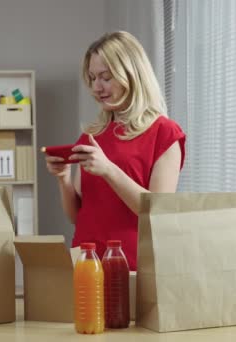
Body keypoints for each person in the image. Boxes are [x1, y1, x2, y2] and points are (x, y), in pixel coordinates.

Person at [44, 31, 185, 271]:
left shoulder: (165, 133)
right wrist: (63, 179)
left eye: (105, 77)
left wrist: (109, 169)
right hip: (87, 262)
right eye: (91, 78)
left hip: (133, 266)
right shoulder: (92, 135)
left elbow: (157, 212)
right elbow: (80, 218)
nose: (96, 87)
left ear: (131, 75)